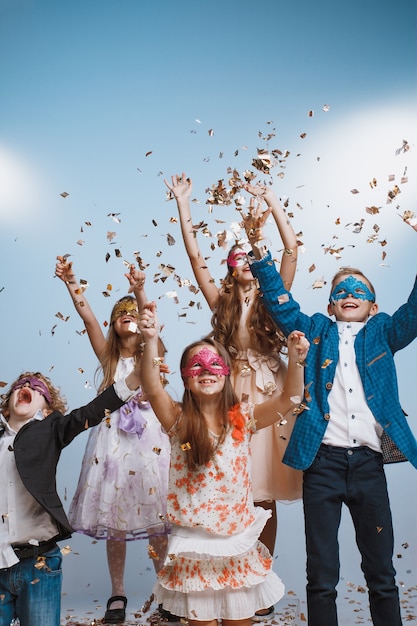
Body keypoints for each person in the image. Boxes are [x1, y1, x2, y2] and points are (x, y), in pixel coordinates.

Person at [243, 205, 417, 626]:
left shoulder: (384, 331)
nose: (349, 294)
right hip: (322, 462)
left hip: (368, 466)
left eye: (358, 290)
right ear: (330, 303)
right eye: (341, 290)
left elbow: (414, 309)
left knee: (382, 572)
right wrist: (258, 250)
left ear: (373, 305)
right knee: (321, 573)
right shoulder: (315, 329)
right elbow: (281, 306)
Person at [164, 173, 302, 617]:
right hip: (229, 393)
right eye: (237, 255)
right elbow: (193, 256)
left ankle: (255, 582)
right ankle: (220, 581)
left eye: (250, 254)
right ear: (228, 266)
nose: (245, 260)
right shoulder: (219, 301)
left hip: (269, 391)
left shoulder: (274, 296)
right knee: (235, 489)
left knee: (264, 494)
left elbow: (291, 249)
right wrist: (184, 204)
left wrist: (271, 202)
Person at [136, 300, 309, 626]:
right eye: (196, 366)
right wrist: (149, 339)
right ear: (185, 379)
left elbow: (289, 400)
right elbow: (151, 385)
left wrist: (297, 361)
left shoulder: (243, 417)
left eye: (214, 364)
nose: (205, 371)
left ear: (228, 373)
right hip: (194, 547)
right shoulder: (176, 419)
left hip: (237, 544)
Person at [55, 257, 171, 624]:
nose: (127, 314)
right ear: (114, 322)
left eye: (133, 311)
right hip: (112, 446)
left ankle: (167, 591)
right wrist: (72, 282)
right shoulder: (108, 356)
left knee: (157, 521)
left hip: (150, 442)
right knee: (116, 519)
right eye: (120, 311)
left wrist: (140, 291)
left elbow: (151, 332)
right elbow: (88, 317)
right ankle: (117, 593)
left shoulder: (152, 350)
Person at [0, 365, 144, 626]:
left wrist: (136, 378)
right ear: (6, 406)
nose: (27, 387)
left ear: (46, 411)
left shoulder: (50, 429)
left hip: (39, 563)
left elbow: (90, 412)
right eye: (20, 385)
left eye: (36, 387)